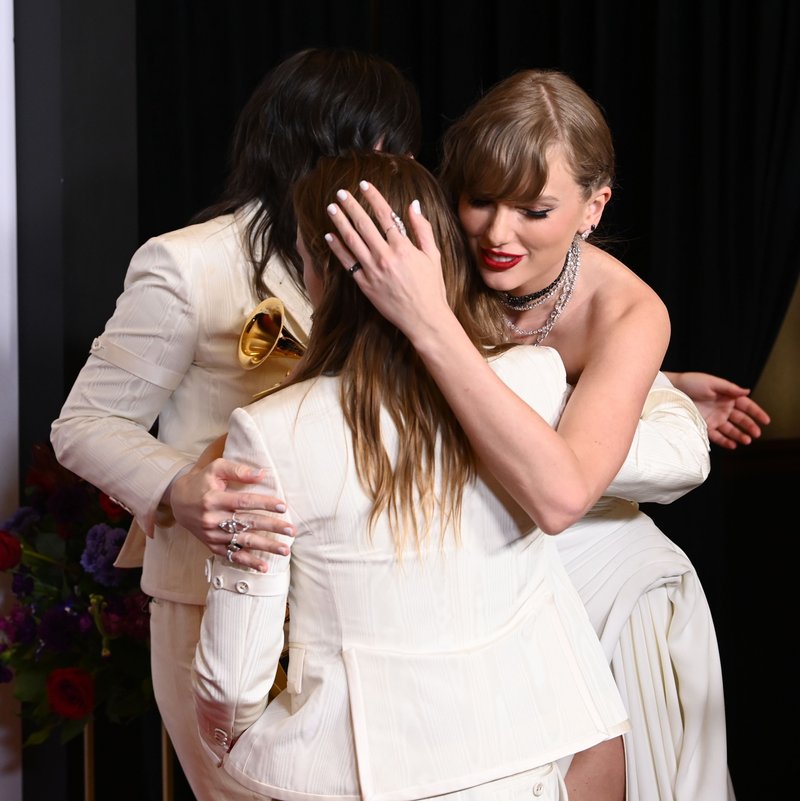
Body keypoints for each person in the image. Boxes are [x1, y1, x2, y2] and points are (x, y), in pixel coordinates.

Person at [323, 70, 754, 801]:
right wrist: (660, 384)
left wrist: (430, 319)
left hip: (601, 580)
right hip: (468, 581)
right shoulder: (436, 250)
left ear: (594, 206)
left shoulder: (628, 311)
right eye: (481, 199)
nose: (497, 233)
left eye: (535, 209)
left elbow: (562, 494)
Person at [192, 150, 630, 801]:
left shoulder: (272, 430)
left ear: (316, 270)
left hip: (347, 773)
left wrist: (226, 738)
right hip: (520, 763)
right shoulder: (537, 379)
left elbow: (231, 679)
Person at [49, 48, 422, 801]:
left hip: (353, 603)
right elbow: (83, 421)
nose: (395, 167)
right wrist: (179, 486)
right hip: (213, 598)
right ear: (313, 144)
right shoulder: (187, 264)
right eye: (377, 145)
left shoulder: (394, 257)